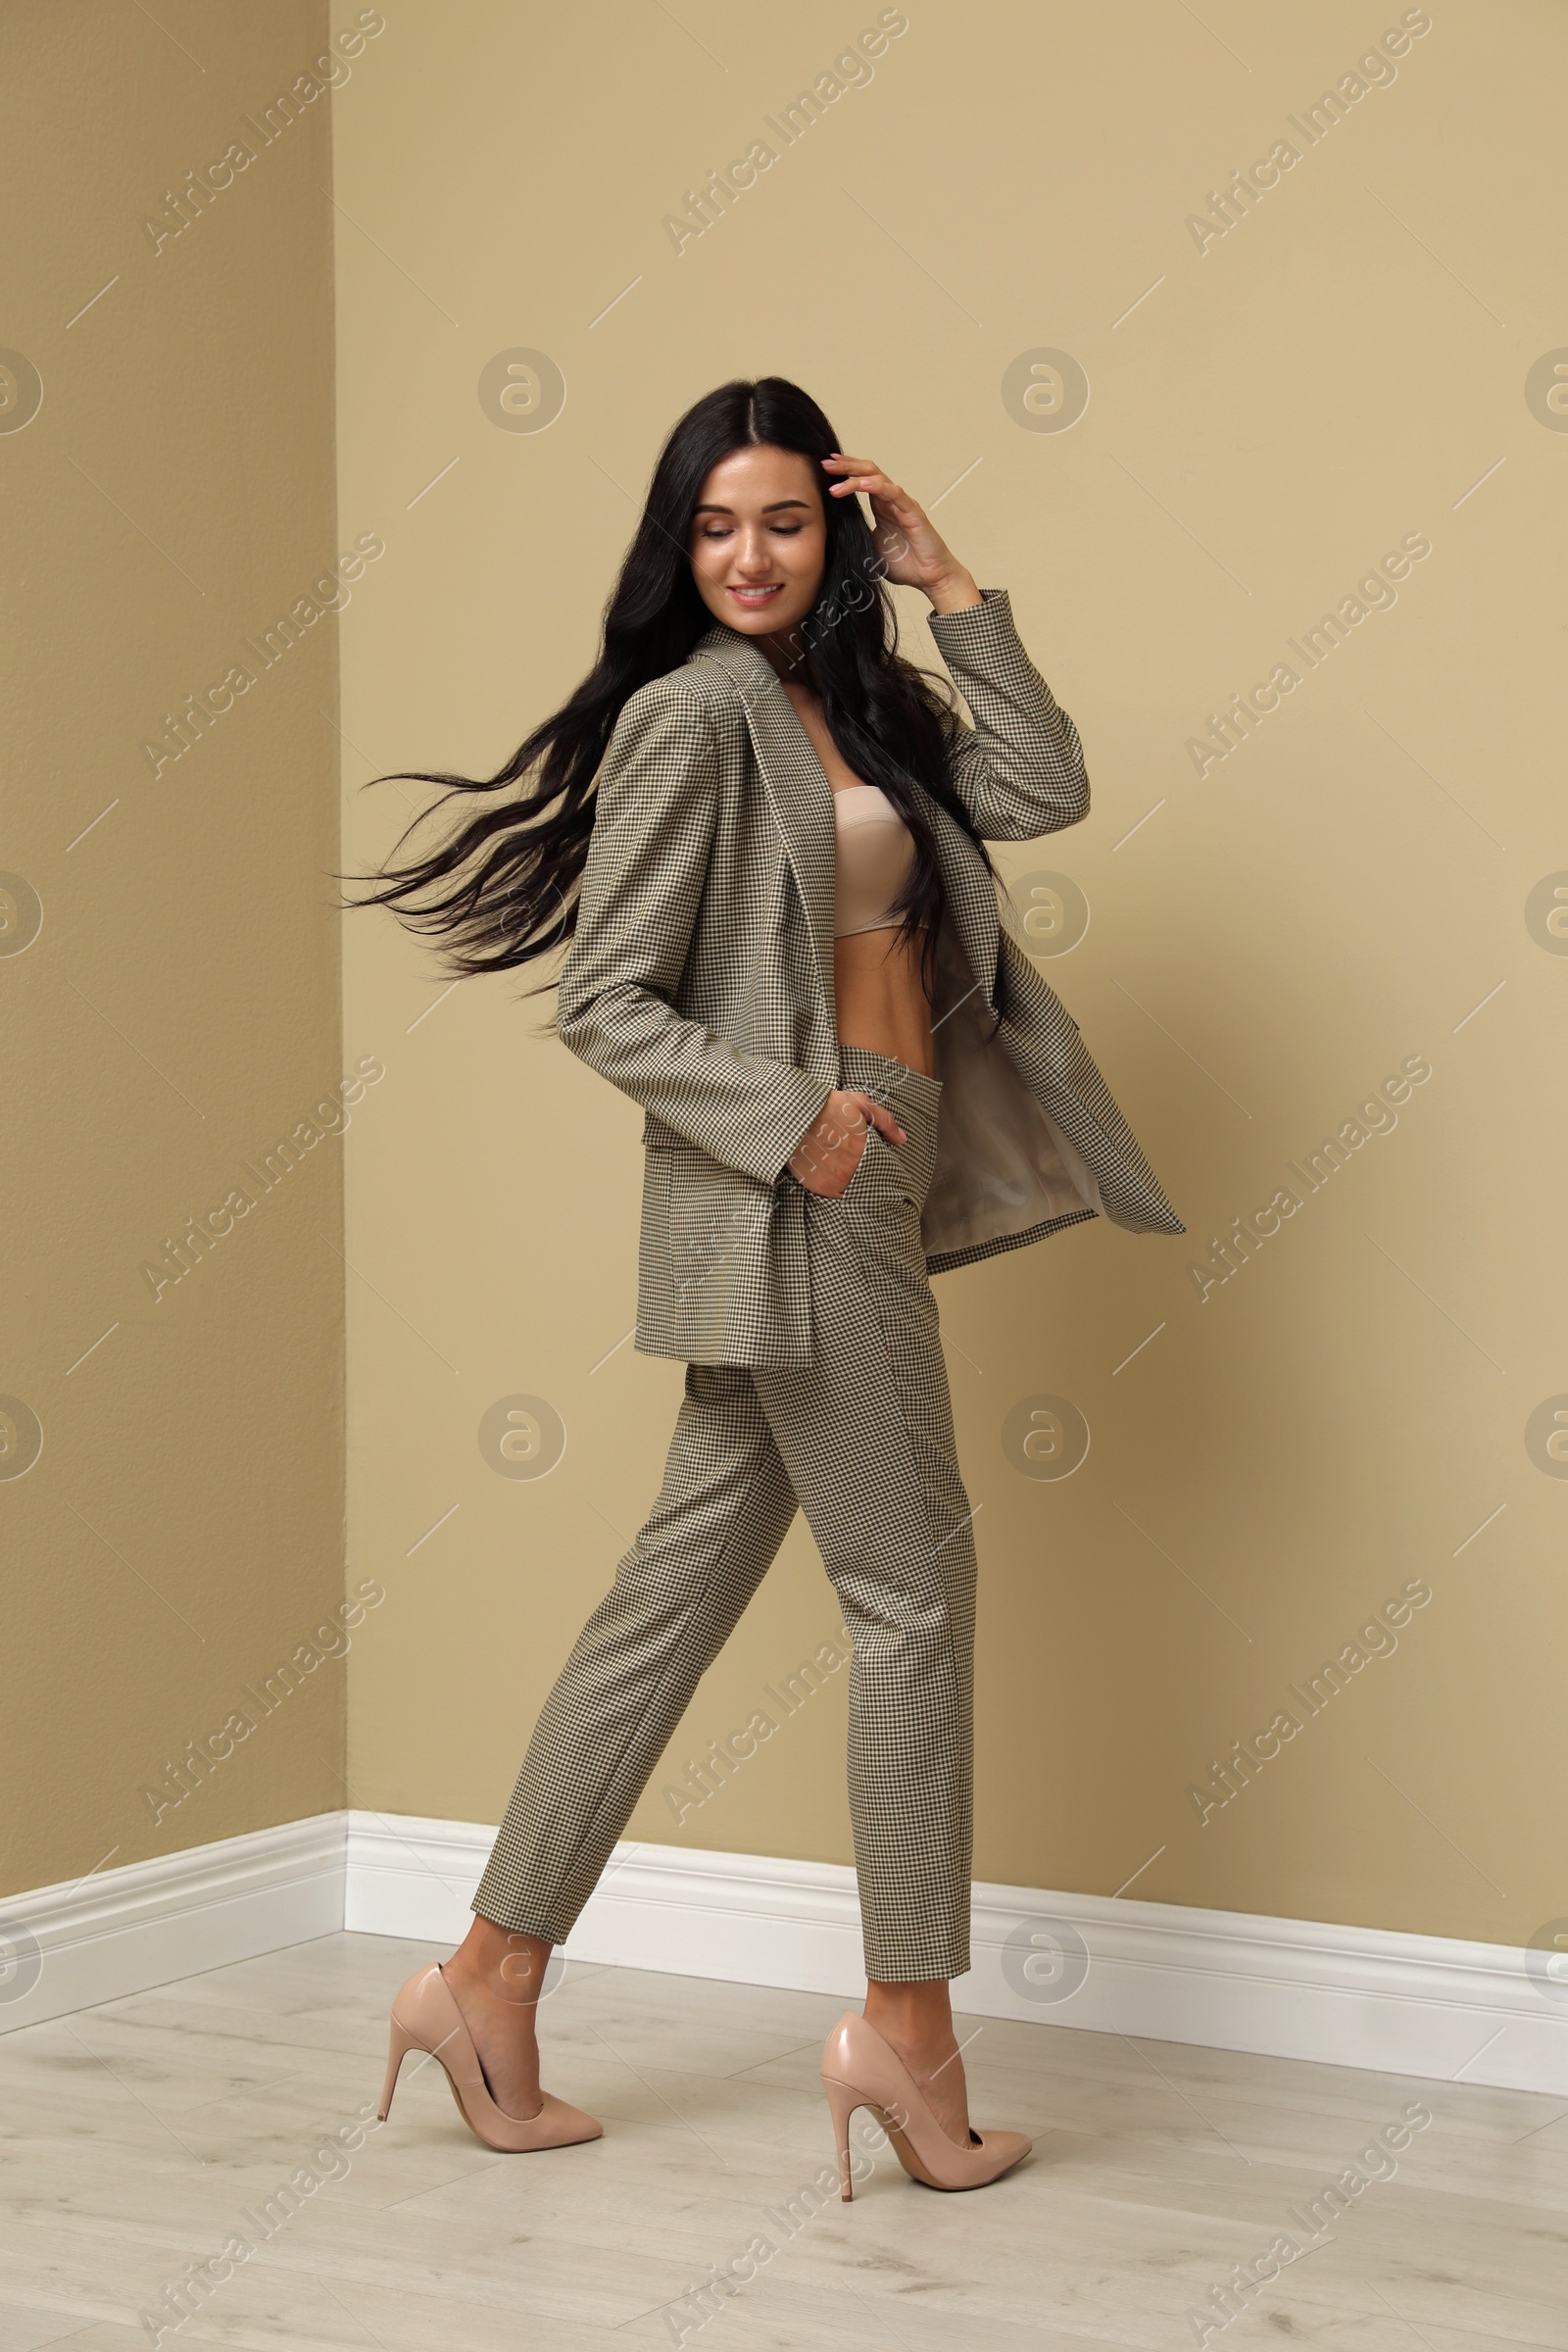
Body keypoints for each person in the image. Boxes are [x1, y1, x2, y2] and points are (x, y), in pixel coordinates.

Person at [360, 375, 1183, 2192]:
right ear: (681, 543)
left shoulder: (855, 701)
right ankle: (906, 2037)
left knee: (672, 1594)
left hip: (857, 1165)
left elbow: (1044, 786)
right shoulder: (694, 718)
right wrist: (796, 1120)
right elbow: (608, 999)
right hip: (803, 1177)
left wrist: (952, 583)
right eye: (714, 525)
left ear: (836, 527)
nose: (745, 556)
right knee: (915, 1592)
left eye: (783, 521)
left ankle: (482, 1981)